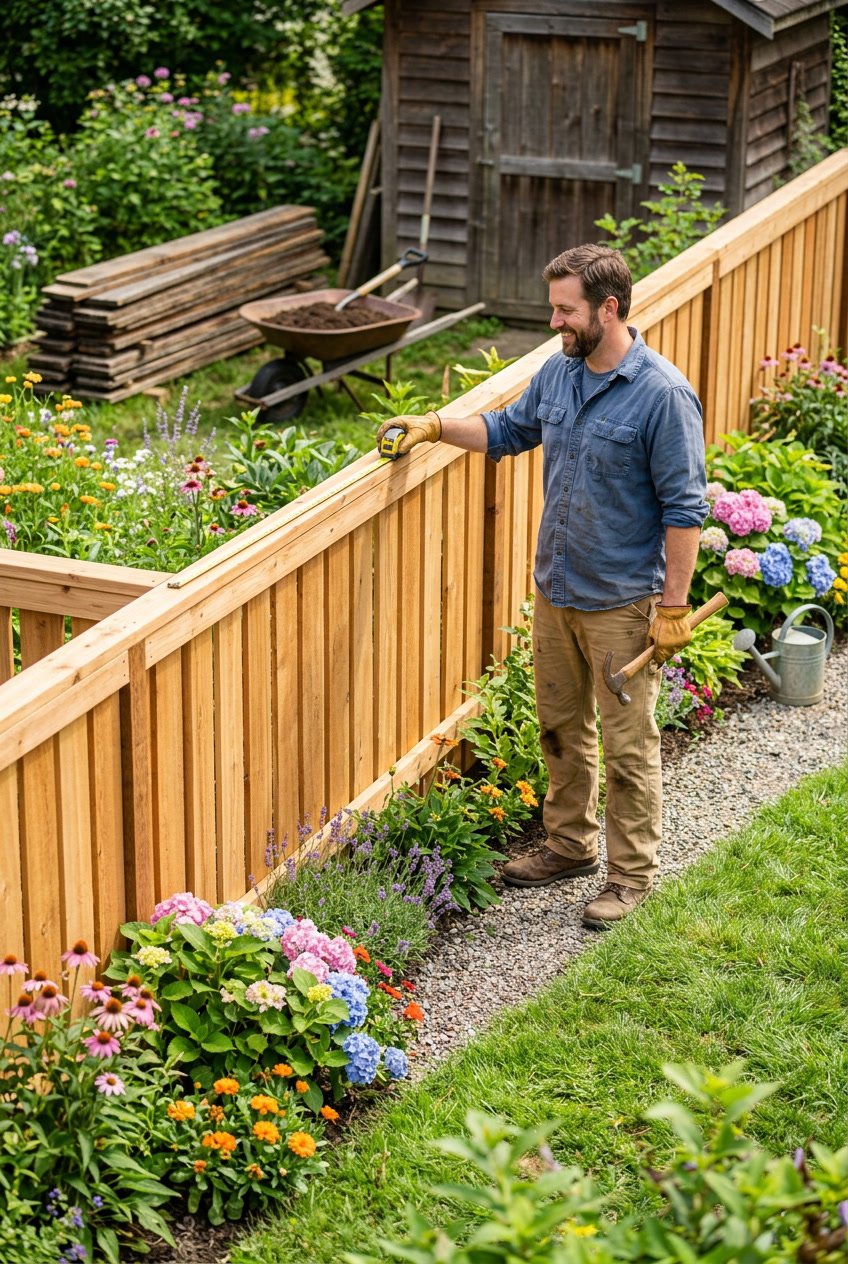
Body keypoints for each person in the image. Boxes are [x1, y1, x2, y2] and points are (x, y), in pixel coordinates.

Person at [375, 243, 709, 930]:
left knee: (627, 745)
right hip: (559, 589)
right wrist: (435, 427)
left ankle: (631, 877)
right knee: (560, 729)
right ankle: (569, 846)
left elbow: (684, 508)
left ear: (608, 308)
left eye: (566, 309)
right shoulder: (561, 374)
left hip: (623, 601)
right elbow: (509, 429)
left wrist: (673, 607)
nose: (554, 321)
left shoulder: (662, 395)